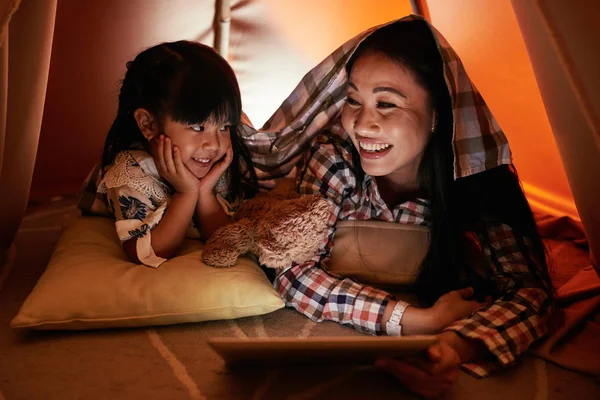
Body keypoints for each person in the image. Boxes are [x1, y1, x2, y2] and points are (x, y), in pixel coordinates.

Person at [252, 17, 553, 398]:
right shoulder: (334, 159)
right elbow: (292, 270)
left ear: (436, 116)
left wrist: (453, 346)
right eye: (353, 101)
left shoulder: (474, 180)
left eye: (387, 104)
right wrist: (411, 322)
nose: (362, 124)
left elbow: (530, 291)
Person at [90, 40, 257, 268]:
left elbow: (224, 237)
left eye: (224, 126)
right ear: (148, 124)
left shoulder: (218, 161)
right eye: (198, 127)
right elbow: (148, 252)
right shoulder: (130, 174)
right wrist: (187, 193)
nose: (214, 144)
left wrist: (205, 192)